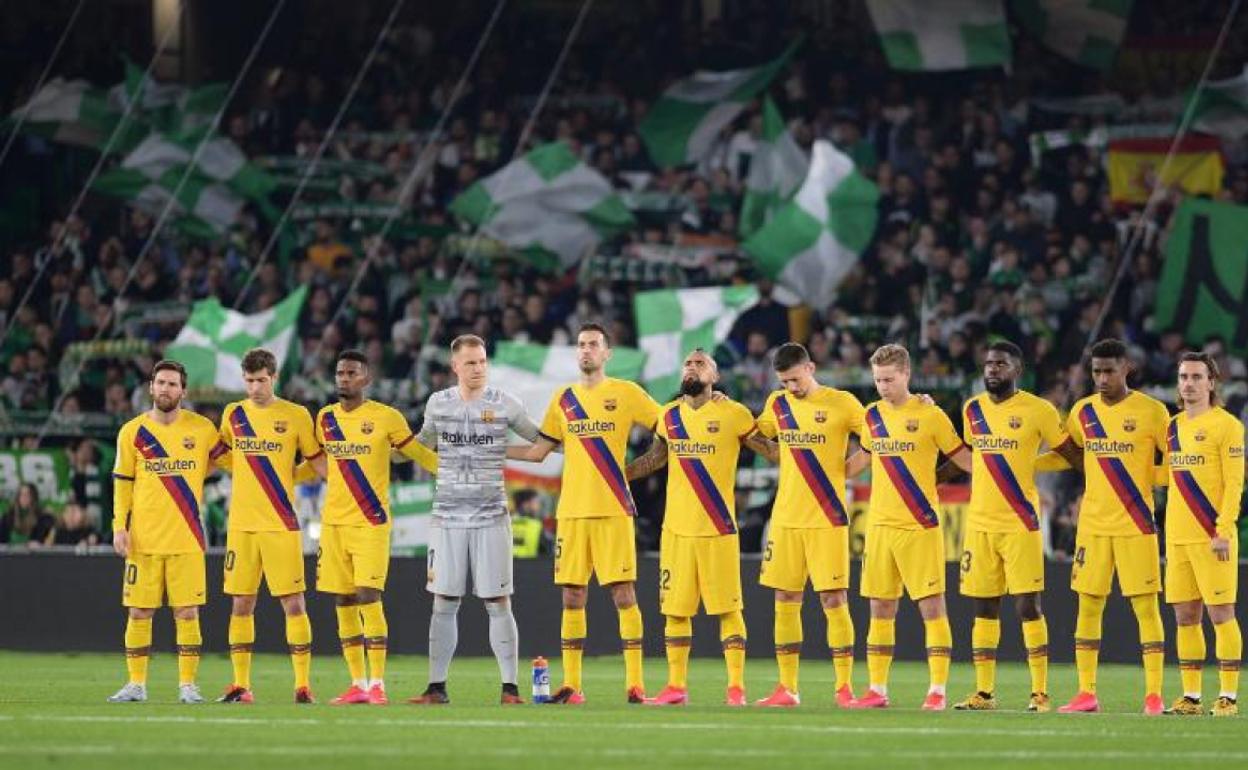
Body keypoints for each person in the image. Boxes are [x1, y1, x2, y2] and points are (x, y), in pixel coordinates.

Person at [508, 323, 661, 704]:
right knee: (573, 597)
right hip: (573, 512)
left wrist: (640, 467)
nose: (587, 350)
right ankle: (573, 686)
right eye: (581, 345)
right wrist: (492, 449)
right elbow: (538, 452)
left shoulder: (626, 393)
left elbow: (670, 428)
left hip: (613, 509)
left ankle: (635, 684)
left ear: (607, 353)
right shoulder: (564, 398)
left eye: (594, 344)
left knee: (623, 594)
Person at [626, 349, 778, 706]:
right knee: (675, 611)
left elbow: (772, 451)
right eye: (688, 363)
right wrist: (621, 476)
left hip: (718, 528)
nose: (691, 367)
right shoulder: (668, 416)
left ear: (716, 376)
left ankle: (736, 688)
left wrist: (807, 437)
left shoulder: (734, 413)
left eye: (700, 363)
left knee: (729, 609)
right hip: (677, 530)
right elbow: (655, 458)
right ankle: (676, 687)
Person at [408, 334, 541, 706]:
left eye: (482, 361)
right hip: (446, 517)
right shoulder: (438, 403)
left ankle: (510, 689)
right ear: (454, 367)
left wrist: (503, 449)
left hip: (491, 517)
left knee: (498, 601)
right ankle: (436, 687)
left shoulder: (504, 404)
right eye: (470, 363)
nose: (478, 368)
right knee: (444, 600)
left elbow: (541, 443)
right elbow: (422, 444)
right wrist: (387, 448)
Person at [953, 340, 1081, 712]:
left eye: (1001, 364)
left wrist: (1041, 467)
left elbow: (1069, 452)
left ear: (1017, 369)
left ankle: (1040, 692)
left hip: (1021, 521)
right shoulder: (972, 409)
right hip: (979, 524)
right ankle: (984, 692)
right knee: (984, 608)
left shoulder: (1039, 410)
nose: (993, 369)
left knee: (1027, 606)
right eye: (989, 363)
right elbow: (971, 458)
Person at [845, 344, 972, 710]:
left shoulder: (931, 415)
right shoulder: (871, 416)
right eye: (878, 380)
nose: (883, 386)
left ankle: (937, 691)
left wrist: (999, 470)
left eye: (889, 379)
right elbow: (862, 460)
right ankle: (877, 690)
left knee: (932, 608)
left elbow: (962, 458)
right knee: (880, 609)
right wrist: (824, 473)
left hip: (919, 524)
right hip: (880, 526)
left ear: (906, 375)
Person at [1053, 339, 1171, 715]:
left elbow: (1175, 465)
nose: (1101, 378)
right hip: (1092, 526)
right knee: (1088, 607)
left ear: (1127, 369)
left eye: (1109, 371)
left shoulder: (1153, 412)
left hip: (1136, 524)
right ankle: (1086, 693)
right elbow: (1068, 457)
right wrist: (1025, 464)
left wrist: (1145, 475)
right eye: (1096, 371)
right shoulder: (1082, 412)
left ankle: (1153, 695)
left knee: (1146, 609)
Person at [314, 349, 437, 705]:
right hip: (333, 523)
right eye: (340, 373)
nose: (344, 379)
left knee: (369, 594)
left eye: (352, 373)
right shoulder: (324, 419)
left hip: (370, 521)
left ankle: (378, 684)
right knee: (344, 598)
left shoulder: (385, 417)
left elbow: (416, 453)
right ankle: (357, 683)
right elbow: (317, 462)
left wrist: (452, 472)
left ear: (366, 378)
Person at [107, 359, 230, 704]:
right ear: (151, 387)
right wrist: (119, 526)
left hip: (187, 538)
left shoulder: (202, 428)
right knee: (139, 612)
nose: (166, 389)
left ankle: (188, 686)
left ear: (183, 391)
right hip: (142, 539)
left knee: (187, 613)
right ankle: (136, 685)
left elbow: (230, 461)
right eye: (160, 382)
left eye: (173, 384)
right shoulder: (133, 432)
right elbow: (122, 484)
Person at [753, 342, 864, 708]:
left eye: (796, 380)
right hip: (786, 519)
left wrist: (846, 471)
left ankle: (844, 688)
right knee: (785, 598)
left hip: (826, 516)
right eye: (785, 382)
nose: (792, 389)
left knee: (833, 598)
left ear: (811, 368)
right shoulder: (777, 404)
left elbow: (878, 438)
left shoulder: (843, 403)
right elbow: (754, 433)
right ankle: (787, 688)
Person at [217, 349, 324, 705]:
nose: (255, 387)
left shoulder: (295, 415)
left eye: (261, 380)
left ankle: (303, 685)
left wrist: (293, 475)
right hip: (242, 526)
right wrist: (246, 470)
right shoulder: (233, 414)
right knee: (241, 605)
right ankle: (241, 686)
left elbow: (316, 460)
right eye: (248, 381)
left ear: (274, 377)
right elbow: (220, 454)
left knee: (293, 604)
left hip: (281, 524)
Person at [1163, 351, 1243, 717]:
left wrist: (1224, 530)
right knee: (1185, 617)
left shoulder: (1227, 426)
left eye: (1196, 377)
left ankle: (1228, 695)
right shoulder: (1173, 426)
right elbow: (1168, 479)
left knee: (1221, 613)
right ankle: (1191, 696)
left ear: (1212, 382)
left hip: (1213, 535)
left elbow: (1234, 483)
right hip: (1177, 537)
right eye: (1183, 377)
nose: (1189, 384)